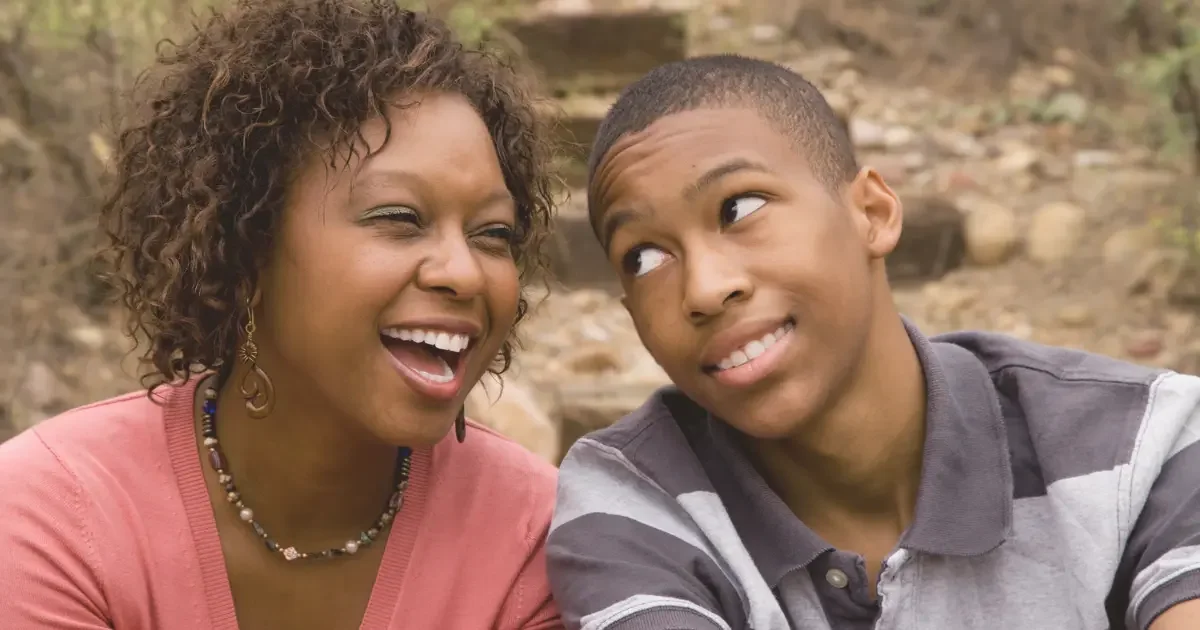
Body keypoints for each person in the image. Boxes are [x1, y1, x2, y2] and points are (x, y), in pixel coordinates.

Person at [545, 54, 1200, 630]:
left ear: (874, 214)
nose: (704, 289)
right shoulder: (636, 503)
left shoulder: (1141, 450)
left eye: (738, 209)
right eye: (645, 257)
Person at [0, 1, 564, 628]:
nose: (464, 272)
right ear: (247, 248)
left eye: (493, 234)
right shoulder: (57, 519)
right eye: (400, 219)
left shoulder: (532, 540)